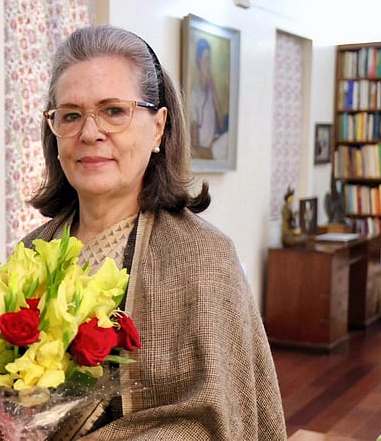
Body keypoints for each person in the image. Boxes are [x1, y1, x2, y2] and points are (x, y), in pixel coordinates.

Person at [24, 25, 286, 439]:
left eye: (114, 111)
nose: (89, 133)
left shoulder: (204, 258)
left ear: (159, 127)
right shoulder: (31, 253)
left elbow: (219, 423)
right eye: (71, 115)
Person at [189, 38, 226, 160]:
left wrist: (214, 91)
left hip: (215, 146)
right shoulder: (195, 95)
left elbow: (221, 124)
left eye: (209, 60)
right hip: (206, 151)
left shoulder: (211, 92)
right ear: (199, 61)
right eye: (206, 59)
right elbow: (194, 143)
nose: (208, 65)